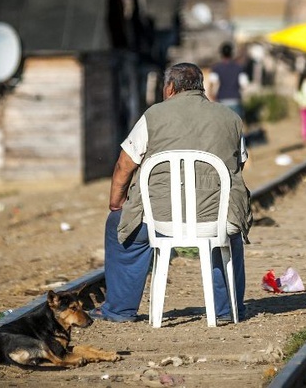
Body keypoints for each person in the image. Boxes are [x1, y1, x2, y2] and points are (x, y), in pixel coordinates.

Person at [90, 63, 253, 324]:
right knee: (228, 236)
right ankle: (227, 310)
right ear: (202, 87)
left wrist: (116, 202)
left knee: (117, 225)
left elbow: (124, 164)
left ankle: (119, 310)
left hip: (159, 221)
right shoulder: (230, 118)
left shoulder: (153, 115)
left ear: (169, 88)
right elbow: (238, 165)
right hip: (216, 219)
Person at [208, 42, 249, 121]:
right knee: (237, 128)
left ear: (221, 54)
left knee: (223, 127)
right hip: (235, 99)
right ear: (232, 53)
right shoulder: (239, 68)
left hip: (222, 100)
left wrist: (212, 95)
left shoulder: (217, 68)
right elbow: (244, 84)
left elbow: (212, 84)